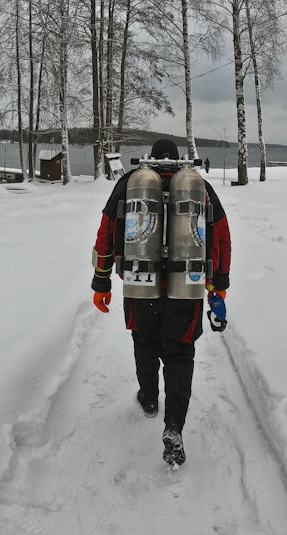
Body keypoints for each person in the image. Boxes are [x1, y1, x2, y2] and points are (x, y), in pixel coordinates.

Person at [91, 139, 231, 466]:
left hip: (142, 283)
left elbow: (105, 233)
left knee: (144, 341)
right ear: (178, 159)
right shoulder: (198, 185)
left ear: (151, 158)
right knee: (180, 351)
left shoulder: (131, 183)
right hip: (187, 285)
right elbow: (221, 235)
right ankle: (174, 425)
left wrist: (101, 282)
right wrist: (219, 285)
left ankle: (150, 400)